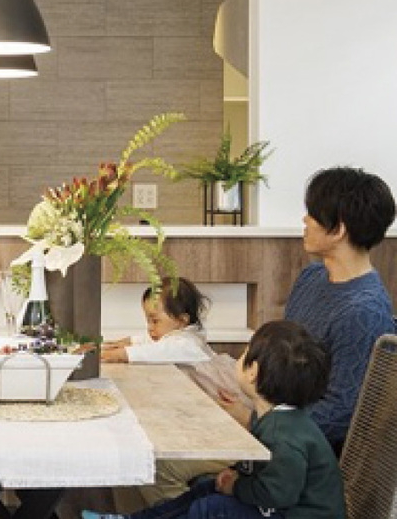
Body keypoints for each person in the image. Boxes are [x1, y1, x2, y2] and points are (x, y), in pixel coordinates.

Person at [140, 166, 396, 505]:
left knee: (157, 465)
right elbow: (279, 358)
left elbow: (340, 415)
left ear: (338, 230)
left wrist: (251, 419)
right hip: (264, 415)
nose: (304, 220)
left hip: (292, 448)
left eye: (312, 214)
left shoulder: (364, 312)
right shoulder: (313, 277)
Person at [83, 320, 346, 519]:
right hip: (277, 508)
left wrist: (237, 487)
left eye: (245, 353)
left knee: (211, 507)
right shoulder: (278, 420)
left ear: (253, 371)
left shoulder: (285, 435)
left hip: (290, 513)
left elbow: (278, 493)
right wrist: (236, 476)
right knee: (207, 488)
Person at [102, 278, 213, 364]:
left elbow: (158, 350)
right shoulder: (173, 337)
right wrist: (125, 343)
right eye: (148, 321)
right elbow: (149, 342)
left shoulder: (187, 345)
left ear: (181, 321)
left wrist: (121, 354)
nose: (150, 328)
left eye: (155, 321)